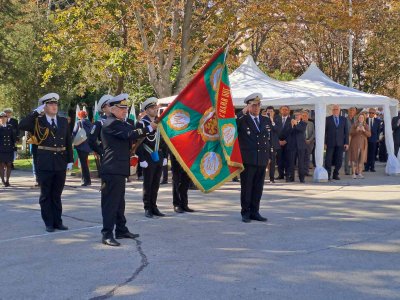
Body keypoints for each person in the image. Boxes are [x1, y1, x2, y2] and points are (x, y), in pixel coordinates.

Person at [100, 93, 156, 246]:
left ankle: (121, 229)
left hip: (119, 168)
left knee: (120, 202)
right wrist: (150, 127)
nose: (125, 111)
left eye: (125, 108)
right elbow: (130, 134)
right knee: (110, 203)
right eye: (121, 108)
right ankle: (107, 234)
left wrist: (151, 125)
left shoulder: (121, 123)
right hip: (112, 168)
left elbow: (133, 131)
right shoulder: (110, 123)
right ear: (112, 109)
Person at [19, 93, 73, 232]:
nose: (54, 106)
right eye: (50, 104)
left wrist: (70, 160)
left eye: (56, 104)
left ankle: (58, 222)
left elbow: (68, 141)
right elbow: (22, 124)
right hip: (45, 161)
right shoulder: (38, 121)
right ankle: (49, 222)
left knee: (57, 194)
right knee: (46, 194)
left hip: (60, 161)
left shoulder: (62, 121)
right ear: (44, 106)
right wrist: (35, 112)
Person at [236, 93, 270, 223]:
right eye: (254, 105)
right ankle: (245, 212)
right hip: (248, 159)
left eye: (258, 105)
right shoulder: (242, 119)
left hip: (261, 158)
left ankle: (255, 211)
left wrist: (269, 157)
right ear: (248, 106)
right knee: (247, 187)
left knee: (258, 187)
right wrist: (241, 113)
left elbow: (269, 139)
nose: (256, 108)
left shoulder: (265, 120)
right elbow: (232, 126)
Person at [136, 97, 168, 218]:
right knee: (148, 183)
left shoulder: (160, 122)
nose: (155, 110)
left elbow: (164, 141)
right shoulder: (141, 124)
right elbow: (137, 143)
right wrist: (142, 159)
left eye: (155, 108)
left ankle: (154, 206)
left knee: (156, 183)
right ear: (146, 110)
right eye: (152, 108)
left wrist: (165, 156)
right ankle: (147, 207)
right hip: (147, 156)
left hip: (158, 155)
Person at [88, 94, 113, 173]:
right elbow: (91, 140)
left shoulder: (120, 121)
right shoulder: (99, 123)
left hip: (119, 155)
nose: (112, 107)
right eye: (109, 105)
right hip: (106, 153)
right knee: (107, 180)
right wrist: (101, 151)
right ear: (103, 109)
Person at [324, 104, 349, 180]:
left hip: (340, 143)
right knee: (328, 159)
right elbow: (324, 132)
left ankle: (336, 174)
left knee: (339, 160)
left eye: (337, 109)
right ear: (332, 110)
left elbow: (346, 132)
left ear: (339, 110)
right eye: (334, 109)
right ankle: (328, 174)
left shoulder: (344, 119)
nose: (335, 111)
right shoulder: (327, 119)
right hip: (330, 143)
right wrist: (324, 142)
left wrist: (346, 143)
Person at [72, 110, 93, 186]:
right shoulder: (90, 123)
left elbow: (74, 133)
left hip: (80, 145)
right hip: (88, 146)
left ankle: (86, 181)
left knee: (83, 164)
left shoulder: (79, 122)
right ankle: (85, 179)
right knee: (85, 163)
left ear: (79, 116)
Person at [262, 106, 282, 183]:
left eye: (271, 111)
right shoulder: (263, 120)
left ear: (273, 112)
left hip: (273, 143)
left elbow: (278, 130)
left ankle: (271, 178)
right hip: (264, 143)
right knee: (263, 161)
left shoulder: (277, 120)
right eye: (268, 111)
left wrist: (271, 120)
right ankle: (262, 178)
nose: (269, 113)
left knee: (273, 162)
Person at [286, 110, 307, 183]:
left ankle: (302, 178)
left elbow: (300, 130)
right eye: (295, 115)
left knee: (301, 163)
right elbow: (288, 132)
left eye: (298, 115)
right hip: (292, 146)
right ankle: (291, 177)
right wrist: (292, 125)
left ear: (301, 116)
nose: (296, 116)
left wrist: (296, 124)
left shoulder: (303, 123)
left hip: (301, 146)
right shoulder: (290, 123)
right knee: (291, 162)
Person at [349, 113, 371, 179]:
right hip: (355, 143)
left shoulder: (366, 125)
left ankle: (360, 173)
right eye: (360, 117)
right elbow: (350, 133)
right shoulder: (354, 125)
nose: (361, 118)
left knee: (361, 159)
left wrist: (364, 130)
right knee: (354, 158)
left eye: (362, 117)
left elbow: (369, 135)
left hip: (363, 144)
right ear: (358, 118)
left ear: (364, 118)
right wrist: (356, 130)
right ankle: (353, 173)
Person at [0, 112, 16, 187]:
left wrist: (14, 147)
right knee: (2, 165)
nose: (3, 118)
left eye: (5, 117)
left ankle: (7, 180)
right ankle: (3, 180)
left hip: (9, 148)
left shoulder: (10, 126)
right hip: (1, 149)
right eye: (1, 117)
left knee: (9, 164)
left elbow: (13, 138)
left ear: (7, 118)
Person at [277, 105, 291, 180]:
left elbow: (292, 132)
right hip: (278, 142)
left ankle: (287, 175)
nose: (284, 111)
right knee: (279, 159)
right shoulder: (276, 119)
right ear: (280, 111)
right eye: (283, 109)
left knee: (287, 159)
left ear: (288, 111)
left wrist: (286, 141)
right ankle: (280, 174)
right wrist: (278, 141)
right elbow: (274, 131)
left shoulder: (291, 119)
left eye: (286, 110)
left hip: (288, 143)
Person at [344, 107, 357, 175]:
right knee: (347, 155)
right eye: (350, 110)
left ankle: (354, 170)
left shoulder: (356, 120)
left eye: (353, 110)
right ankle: (347, 170)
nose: (352, 112)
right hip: (347, 139)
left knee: (355, 155)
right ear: (348, 111)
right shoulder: (344, 119)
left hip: (355, 139)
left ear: (355, 112)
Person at [302, 110, 315, 176]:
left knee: (307, 157)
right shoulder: (299, 123)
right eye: (303, 116)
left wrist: (309, 140)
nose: (304, 117)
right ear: (301, 116)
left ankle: (306, 171)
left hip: (309, 143)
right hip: (302, 143)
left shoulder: (311, 123)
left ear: (308, 116)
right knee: (301, 157)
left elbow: (314, 133)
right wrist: (304, 140)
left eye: (306, 116)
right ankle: (301, 172)